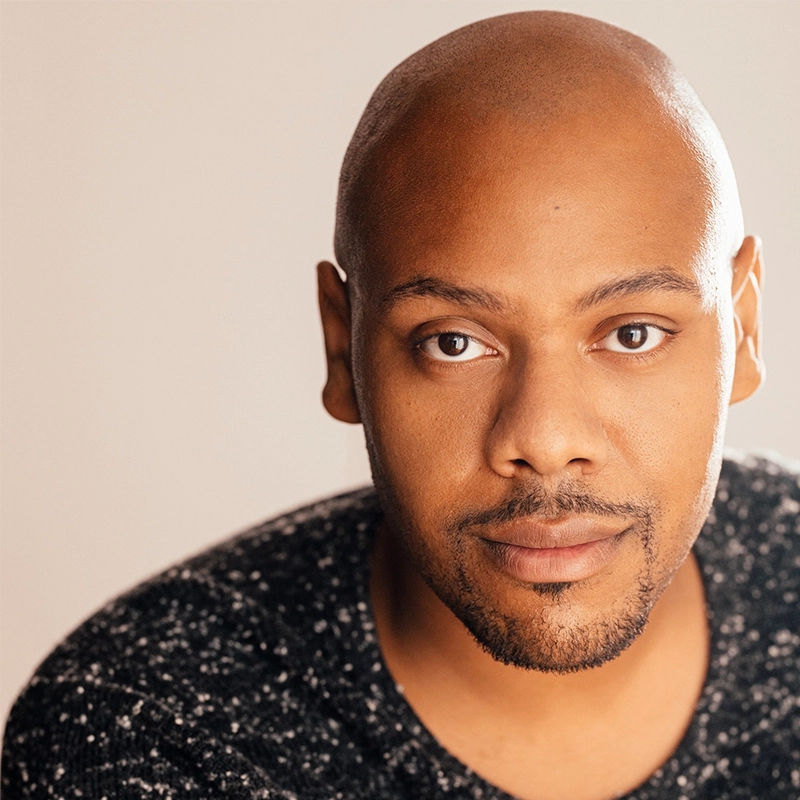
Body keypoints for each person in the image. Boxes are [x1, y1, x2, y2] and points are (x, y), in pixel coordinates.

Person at [2, 10, 798, 799]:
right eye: (453, 342)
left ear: (744, 329)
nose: (545, 439)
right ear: (343, 348)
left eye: (632, 334)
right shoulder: (146, 730)